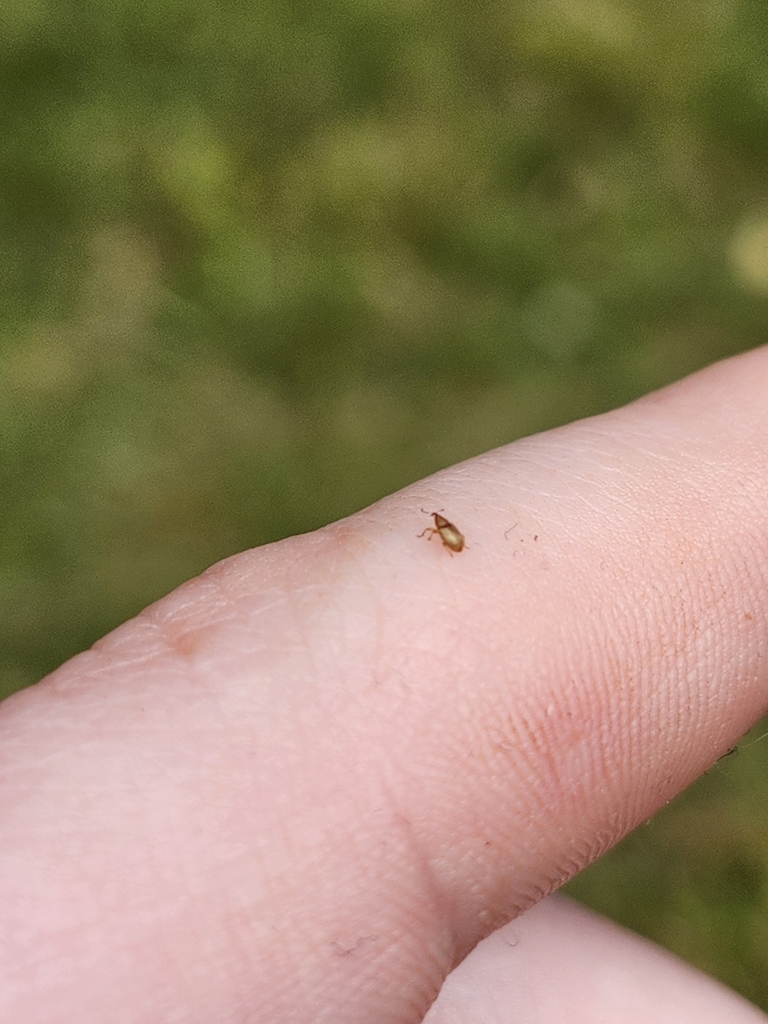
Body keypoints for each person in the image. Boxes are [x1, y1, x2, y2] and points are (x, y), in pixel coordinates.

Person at [2, 347, 768, 1023]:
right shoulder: (442, 535)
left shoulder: (442, 536)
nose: (439, 528)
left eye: (439, 527)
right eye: (440, 527)